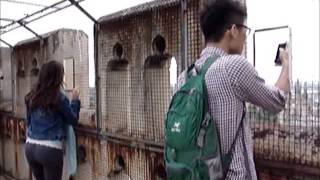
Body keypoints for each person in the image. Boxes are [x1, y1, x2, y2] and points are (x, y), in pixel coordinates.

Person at [176, 1, 289, 179]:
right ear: (233, 30)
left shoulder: (184, 78)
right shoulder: (234, 67)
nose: (245, 36)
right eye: (245, 30)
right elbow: (277, 101)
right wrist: (286, 65)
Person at [24, 60, 81, 180]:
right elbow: (73, 120)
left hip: (30, 146)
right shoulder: (59, 98)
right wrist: (75, 100)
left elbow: (28, 122)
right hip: (49, 149)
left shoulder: (32, 96)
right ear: (57, 78)